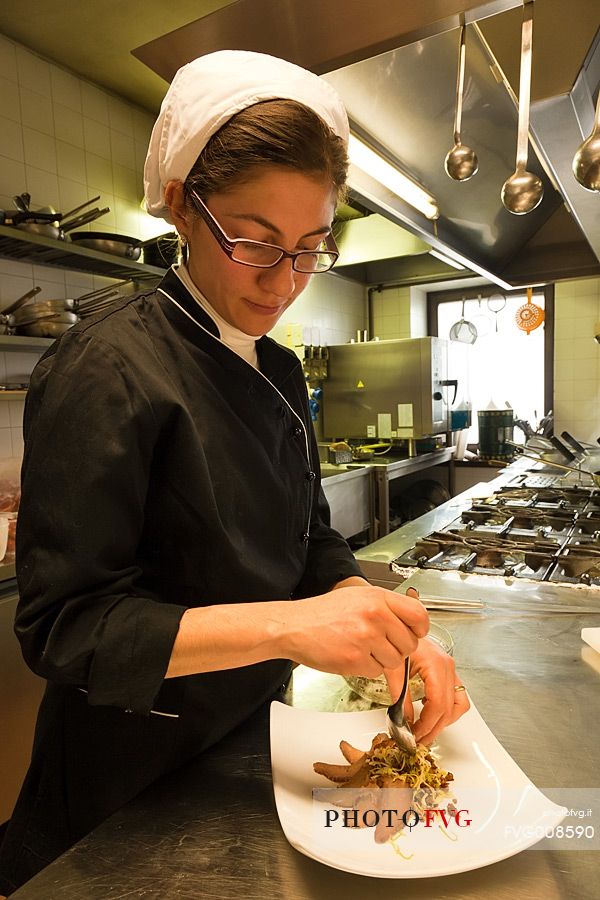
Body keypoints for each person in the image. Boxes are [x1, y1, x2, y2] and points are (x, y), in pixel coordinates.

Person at [0, 50, 469, 896]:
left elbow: (308, 535)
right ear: (182, 204)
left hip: (246, 744)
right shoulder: (105, 366)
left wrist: (395, 625)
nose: (283, 280)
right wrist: (290, 629)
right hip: (126, 787)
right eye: (254, 241)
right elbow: (67, 630)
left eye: (309, 249)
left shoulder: (276, 369)